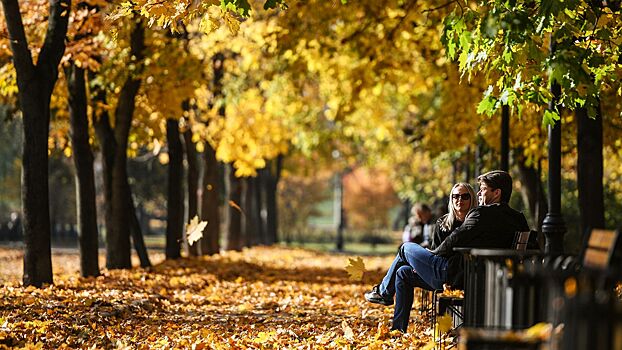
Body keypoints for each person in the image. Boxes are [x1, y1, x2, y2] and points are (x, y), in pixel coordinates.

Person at [364, 170, 529, 333]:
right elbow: (531, 246)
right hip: (486, 277)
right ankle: (398, 329)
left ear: (497, 192)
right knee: (403, 273)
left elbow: (457, 238)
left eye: (483, 189)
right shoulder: (518, 218)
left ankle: (384, 292)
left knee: (406, 248)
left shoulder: (481, 214)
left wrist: (432, 255)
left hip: (455, 276)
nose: (479, 192)